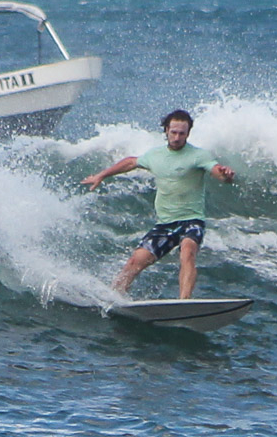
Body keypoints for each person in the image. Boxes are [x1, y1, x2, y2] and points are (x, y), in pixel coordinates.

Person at [82, 109, 235, 299]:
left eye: (182, 133)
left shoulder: (198, 155)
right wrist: (101, 175)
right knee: (134, 262)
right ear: (166, 131)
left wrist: (225, 176)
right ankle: (113, 297)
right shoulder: (155, 155)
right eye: (174, 132)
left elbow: (216, 171)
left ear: (188, 133)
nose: (177, 137)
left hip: (191, 220)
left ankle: (184, 302)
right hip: (165, 224)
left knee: (187, 252)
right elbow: (131, 162)